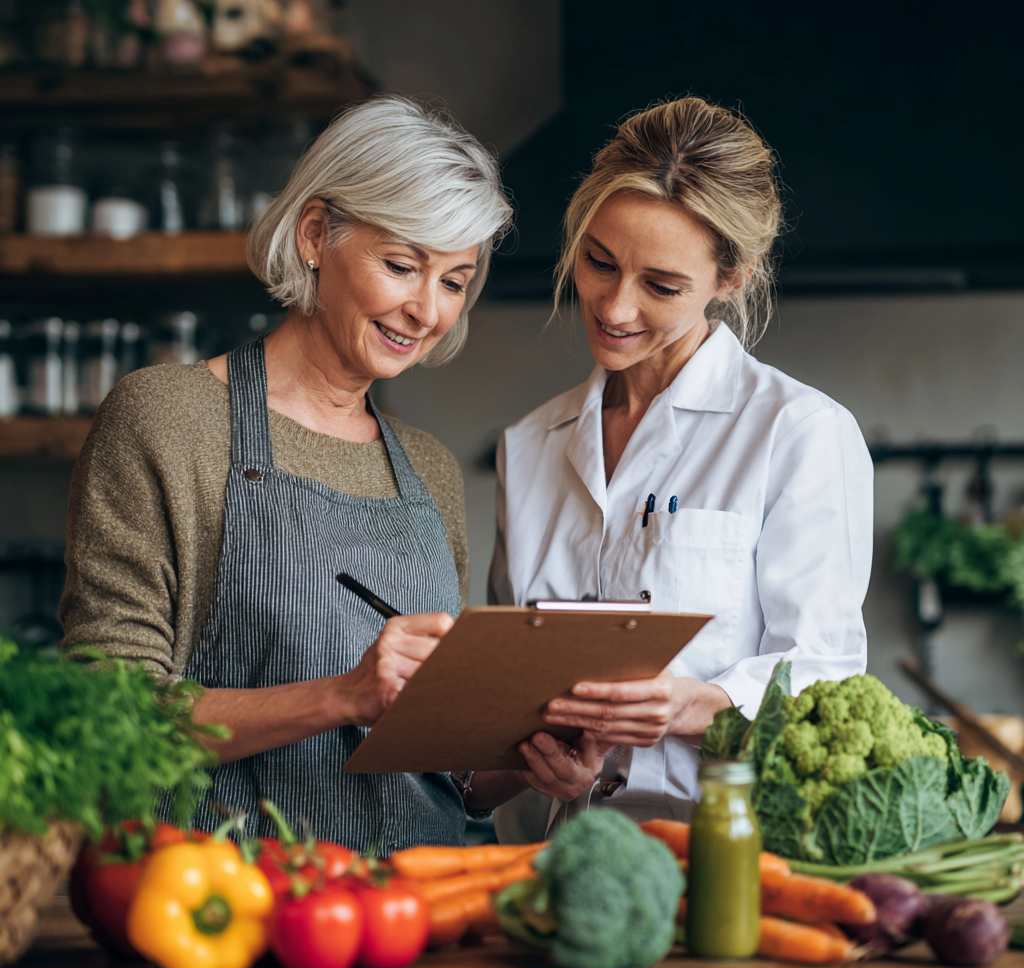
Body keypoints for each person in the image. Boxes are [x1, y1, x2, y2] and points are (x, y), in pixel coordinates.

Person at [59, 96, 530, 855]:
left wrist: (529, 762)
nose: (426, 311)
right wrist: (343, 696)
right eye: (402, 266)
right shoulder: (169, 419)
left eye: (454, 281)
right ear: (315, 234)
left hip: (415, 902)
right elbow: (110, 717)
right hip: (228, 893)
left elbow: (448, 772)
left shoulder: (430, 470)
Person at [484, 97, 874, 841]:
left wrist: (689, 705)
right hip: (550, 864)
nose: (614, 307)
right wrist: (547, 759)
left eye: (661, 286)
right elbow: (516, 685)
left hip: (723, 860)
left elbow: (824, 677)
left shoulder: (798, 433)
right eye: (599, 262)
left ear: (732, 278)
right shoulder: (530, 443)